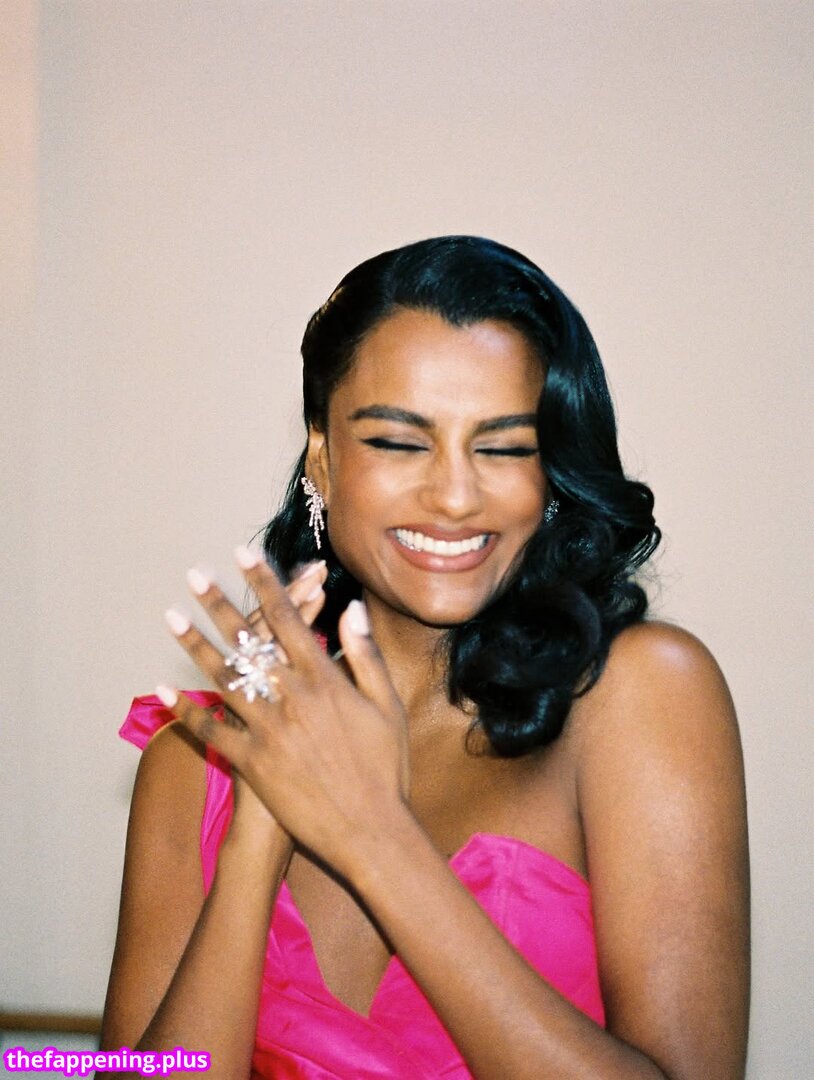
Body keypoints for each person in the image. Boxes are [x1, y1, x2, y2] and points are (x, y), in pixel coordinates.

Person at [100, 236, 750, 1079]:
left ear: (552, 471)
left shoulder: (643, 694)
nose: (453, 495)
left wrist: (376, 836)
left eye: (503, 447)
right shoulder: (196, 760)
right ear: (322, 459)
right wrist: (259, 828)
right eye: (400, 443)